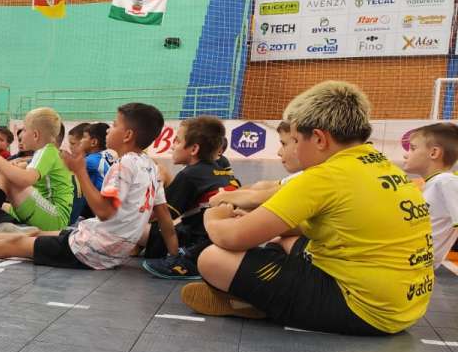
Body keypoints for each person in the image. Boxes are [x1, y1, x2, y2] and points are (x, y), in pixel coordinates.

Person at [181, 81, 434, 335]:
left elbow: (232, 237)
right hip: (405, 303)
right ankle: (259, 294)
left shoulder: (325, 176)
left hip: (365, 310)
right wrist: (255, 218)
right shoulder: (382, 165)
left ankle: (252, 300)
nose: (292, 148)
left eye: (294, 140)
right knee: (284, 241)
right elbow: (319, 225)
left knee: (213, 258)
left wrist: (213, 215)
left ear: (319, 138)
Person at [0, 102, 176, 270]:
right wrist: (174, 257)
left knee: (16, 245)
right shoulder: (151, 167)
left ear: (127, 135)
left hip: (92, 249)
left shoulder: (125, 165)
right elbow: (164, 216)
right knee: (36, 234)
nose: (109, 129)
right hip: (108, 245)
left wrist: (80, 172)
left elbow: (104, 211)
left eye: (114, 124)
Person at [141, 116, 240, 280]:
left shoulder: (189, 175)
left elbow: (161, 215)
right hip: (221, 239)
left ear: (194, 149)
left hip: (198, 243)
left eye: (177, 142)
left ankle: (181, 261)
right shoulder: (224, 170)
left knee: (134, 227)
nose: (172, 147)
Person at [0, 106, 73, 237]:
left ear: (35, 135)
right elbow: (24, 170)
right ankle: (8, 224)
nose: (21, 133)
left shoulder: (47, 151)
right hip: (48, 213)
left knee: (5, 177)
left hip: (54, 217)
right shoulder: (46, 152)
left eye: (24, 129)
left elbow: (26, 179)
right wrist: (9, 165)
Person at [208, 120, 300, 212]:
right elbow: (262, 187)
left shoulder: (306, 179)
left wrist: (225, 197)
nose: (279, 152)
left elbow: (257, 198)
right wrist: (230, 194)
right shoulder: (297, 177)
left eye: (284, 144)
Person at [402, 123, 458, 268]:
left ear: (434, 153)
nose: (406, 154)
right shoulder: (433, 183)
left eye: (413, 148)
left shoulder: (446, 181)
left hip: (413, 264)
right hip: (412, 264)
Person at [68, 122, 114, 222]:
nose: (81, 142)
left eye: (84, 138)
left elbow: (65, 166)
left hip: (100, 208)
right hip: (109, 204)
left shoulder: (90, 161)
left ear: (93, 142)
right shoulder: (105, 155)